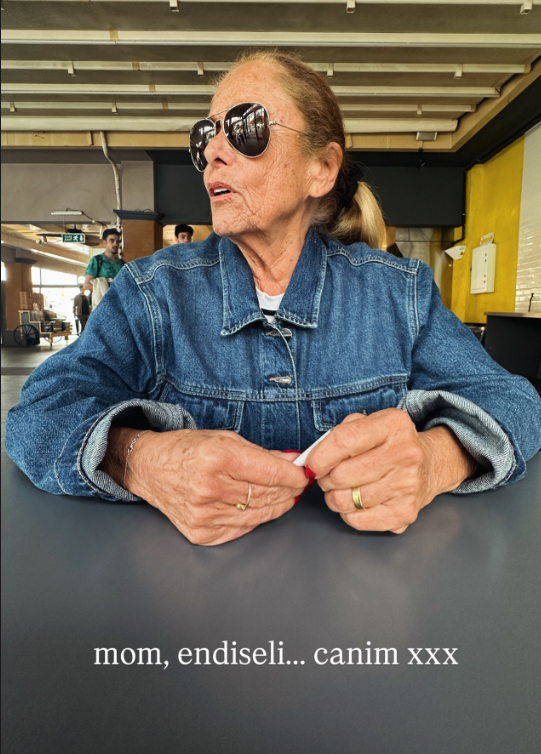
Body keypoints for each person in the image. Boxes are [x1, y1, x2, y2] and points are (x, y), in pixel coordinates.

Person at [6, 51, 541, 547]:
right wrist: (138, 460)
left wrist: (434, 460)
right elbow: (38, 414)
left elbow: (515, 402)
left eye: (246, 128)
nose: (213, 151)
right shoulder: (150, 294)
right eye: (205, 136)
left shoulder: (400, 293)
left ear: (321, 168)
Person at [83, 228, 124, 308]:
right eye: (112, 240)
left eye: (118, 241)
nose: (115, 244)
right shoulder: (97, 260)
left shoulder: (122, 264)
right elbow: (86, 285)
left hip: (118, 306)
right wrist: (105, 286)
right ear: (104, 242)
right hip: (102, 306)